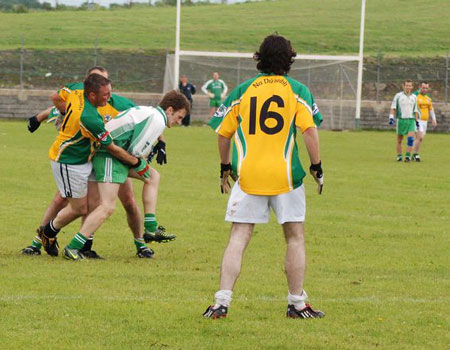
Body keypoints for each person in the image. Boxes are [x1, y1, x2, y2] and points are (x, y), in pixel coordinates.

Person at [203, 34, 325, 319]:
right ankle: (297, 304)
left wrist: (225, 166)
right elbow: (310, 131)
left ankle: (221, 301)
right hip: (287, 177)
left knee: (238, 237)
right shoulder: (297, 90)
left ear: (259, 57)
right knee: (294, 237)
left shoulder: (242, 91)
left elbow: (223, 133)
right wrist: (317, 166)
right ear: (289, 59)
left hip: (248, 177)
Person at [22, 67, 167, 258]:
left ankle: (140, 244)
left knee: (127, 201)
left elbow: (145, 116)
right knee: (75, 203)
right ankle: (42, 239)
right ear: (91, 88)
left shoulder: (114, 101)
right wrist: (135, 162)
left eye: (108, 87)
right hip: (82, 157)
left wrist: (161, 141)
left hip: (100, 156)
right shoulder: (89, 115)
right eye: (104, 90)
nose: (109, 95)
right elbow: (56, 102)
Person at [63, 90, 190, 260]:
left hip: (115, 155)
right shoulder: (158, 119)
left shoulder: (150, 112)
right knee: (107, 207)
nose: (179, 122)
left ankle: (151, 227)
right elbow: (136, 151)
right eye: (179, 117)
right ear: (170, 109)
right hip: (108, 156)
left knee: (153, 176)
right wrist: (144, 160)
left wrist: (144, 160)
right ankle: (72, 247)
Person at [389, 79, 419, 162]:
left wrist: (417, 122)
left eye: (410, 86)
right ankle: (399, 156)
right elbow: (393, 107)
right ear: (404, 86)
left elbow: (416, 110)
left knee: (410, 139)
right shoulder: (398, 96)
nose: (408, 87)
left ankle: (408, 156)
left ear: (412, 87)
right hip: (401, 120)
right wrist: (391, 117)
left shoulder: (414, 97)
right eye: (407, 85)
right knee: (399, 140)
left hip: (411, 120)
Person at [412, 81, 437, 161]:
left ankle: (412, 153)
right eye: (423, 88)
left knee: (419, 139)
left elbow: (431, 110)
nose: (425, 89)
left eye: (426, 88)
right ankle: (415, 154)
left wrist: (434, 119)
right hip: (417, 120)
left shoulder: (428, 98)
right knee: (420, 138)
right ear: (420, 87)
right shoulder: (415, 96)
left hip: (425, 122)